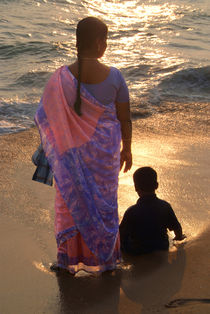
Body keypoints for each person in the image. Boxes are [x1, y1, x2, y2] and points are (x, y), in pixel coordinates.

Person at [34, 17, 132, 274]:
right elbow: (125, 119)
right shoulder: (115, 77)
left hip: (72, 158)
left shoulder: (60, 78)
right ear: (100, 42)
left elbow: (46, 118)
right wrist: (128, 149)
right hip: (104, 158)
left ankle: (67, 260)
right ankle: (107, 259)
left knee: (70, 205)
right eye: (106, 39)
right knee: (105, 206)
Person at [120, 167, 185, 255]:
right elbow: (177, 229)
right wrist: (179, 237)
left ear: (135, 188)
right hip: (161, 247)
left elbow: (121, 235)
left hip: (137, 251)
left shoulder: (131, 211)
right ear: (156, 185)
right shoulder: (165, 207)